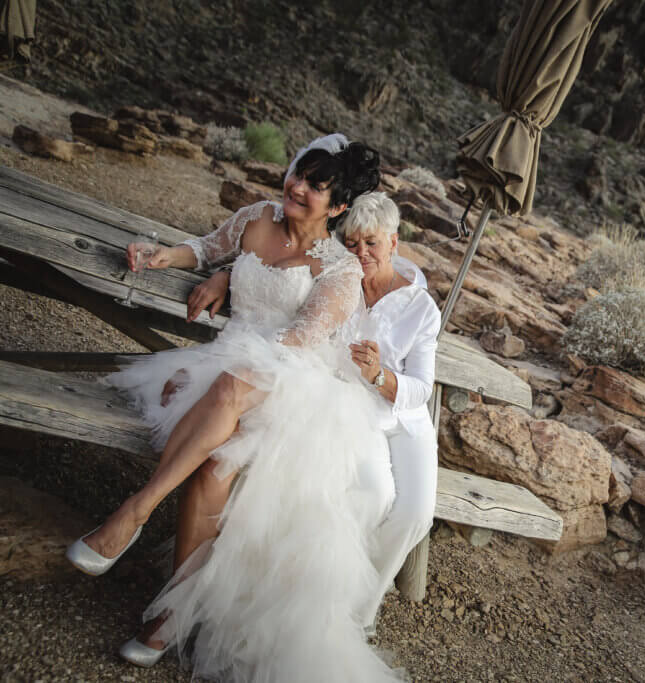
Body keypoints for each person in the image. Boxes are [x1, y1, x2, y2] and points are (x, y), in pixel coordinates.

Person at [66, 136, 404, 681]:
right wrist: (163, 257)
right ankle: (169, 618)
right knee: (214, 464)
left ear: (339, 207)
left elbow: (297, 340)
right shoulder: (257, 218)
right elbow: (203, 248)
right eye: (299, 174)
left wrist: (230, 354)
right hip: (232, 365)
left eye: (317, 187)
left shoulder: (340, 270)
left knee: (229, 386)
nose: (298, 187)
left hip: (295, 385)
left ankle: (136, 509)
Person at [182, 186, 441, 633]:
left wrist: (383, 376)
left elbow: (422, 389)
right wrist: (226, 278)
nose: (361, 253)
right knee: (376, 497)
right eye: (354, 242)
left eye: (372, 243)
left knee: (416, 514)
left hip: (406, 416)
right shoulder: (338, 274)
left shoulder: (420, 307)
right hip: (357, 412)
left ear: (394, 243)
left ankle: (359, 610)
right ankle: (330, 604)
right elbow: (275, 274)